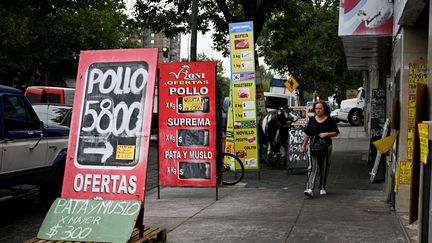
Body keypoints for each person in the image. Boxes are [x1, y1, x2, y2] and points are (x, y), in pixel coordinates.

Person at [300, 100, 339, 197]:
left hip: (326, 146)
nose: (318, 110)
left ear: (324, 109)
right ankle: (310, 188)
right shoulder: (312, 120)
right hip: (313, 146)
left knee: (324, 167)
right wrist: (303, 146)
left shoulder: (329, 120)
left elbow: (336, 132)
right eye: (316, 108)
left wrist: (327, 134)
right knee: (312, 167)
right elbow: (307, 134)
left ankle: (322, 187)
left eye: (320, 108)